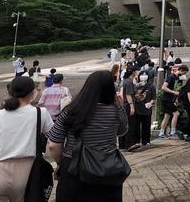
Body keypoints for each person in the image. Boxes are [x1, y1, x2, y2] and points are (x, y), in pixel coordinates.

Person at [47, 71, 129, 202]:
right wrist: (119, 105)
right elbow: (122, 131)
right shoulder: (115, 110)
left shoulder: (70, 110)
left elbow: (53, 145)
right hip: (108, 169)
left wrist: (61, 163)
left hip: (74, 167)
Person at [130, 71, 156, 149]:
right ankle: (136, 141)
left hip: (147, 109)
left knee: (146, 125)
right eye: (142, 75)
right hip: (137, 108)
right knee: (136, 126)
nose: (143, 76)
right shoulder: (136, 86)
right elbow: (132, 96)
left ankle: (146, 141)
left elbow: (154, 97)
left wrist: (150, 103)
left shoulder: (151, 86)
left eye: (145, 75)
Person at [158, 64, 182, 139]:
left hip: (170, 99)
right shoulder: (170, 77)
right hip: (167, 99)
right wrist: (174, 93)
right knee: (176, 113)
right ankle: (172, 132)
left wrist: (176, 99)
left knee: (167, 115)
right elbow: (163, 87)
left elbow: (176, 89)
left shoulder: (176, 78)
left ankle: (162, 133)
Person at [120, 69, 138, 150]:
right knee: (130, 124)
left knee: (124, 124)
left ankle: (122, 145)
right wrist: (132, 106)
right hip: (128, 105)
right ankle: (129, 144)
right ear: (133, 72)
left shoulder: (125, 81)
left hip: (124, 105)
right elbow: (128, 95)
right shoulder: (130, 82)